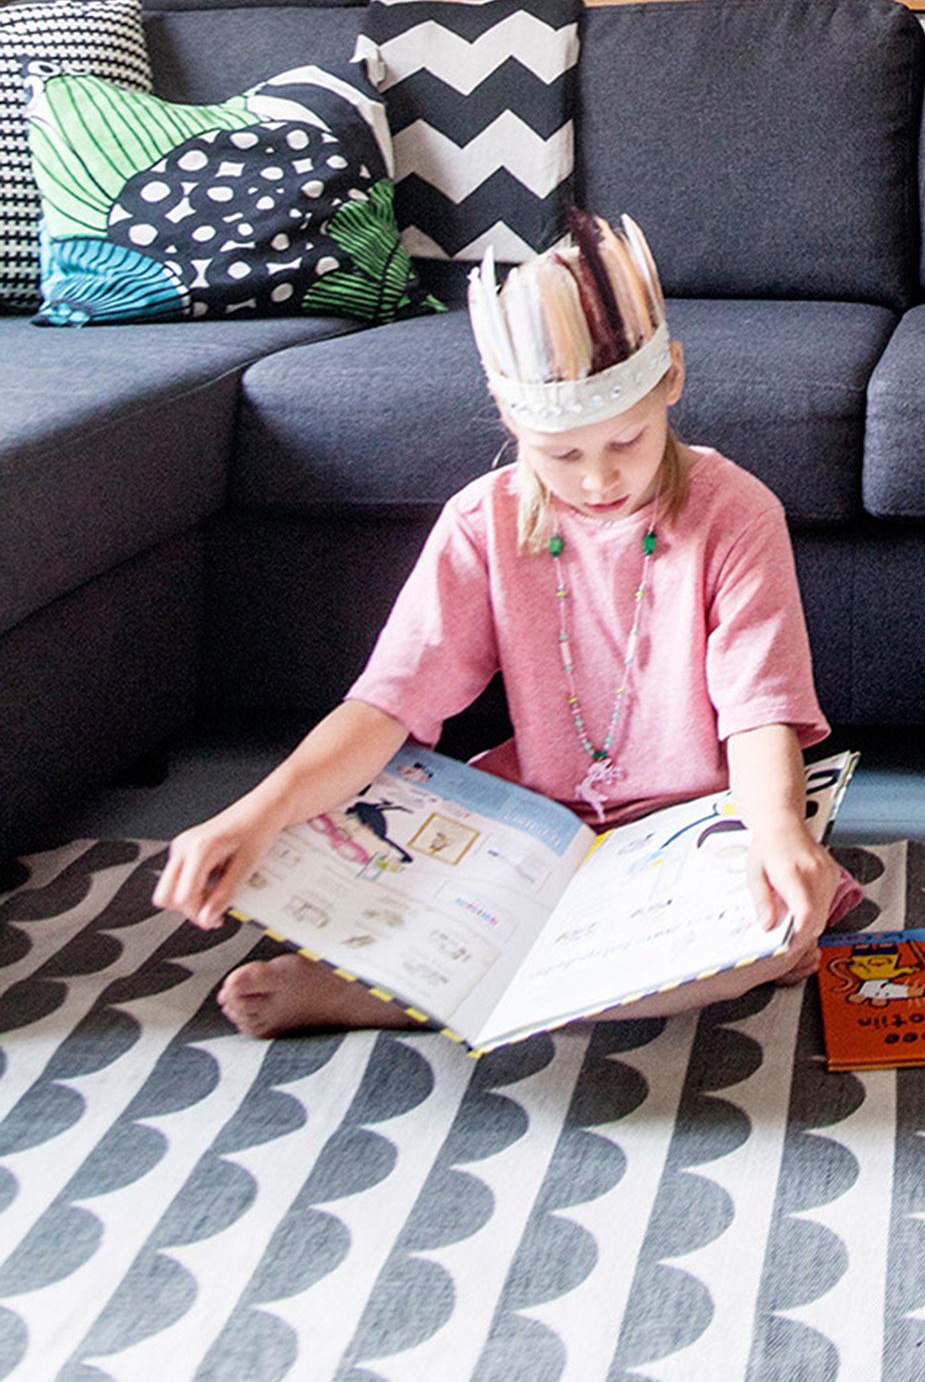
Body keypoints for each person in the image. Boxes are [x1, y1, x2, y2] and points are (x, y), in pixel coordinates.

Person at [154, 210, 855, 1037]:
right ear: (507, 415)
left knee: (770, 936)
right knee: (348, 851)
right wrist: (258, 810)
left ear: (671, 377)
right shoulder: (480, 520)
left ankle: (406, 991)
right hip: (528, 817)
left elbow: (758, 709)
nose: (597, 480)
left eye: (625, 442)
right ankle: (467, 977)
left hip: (693, 820)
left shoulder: (735, 511)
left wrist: (776, 829)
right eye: (561, 454)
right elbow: (387, 704)